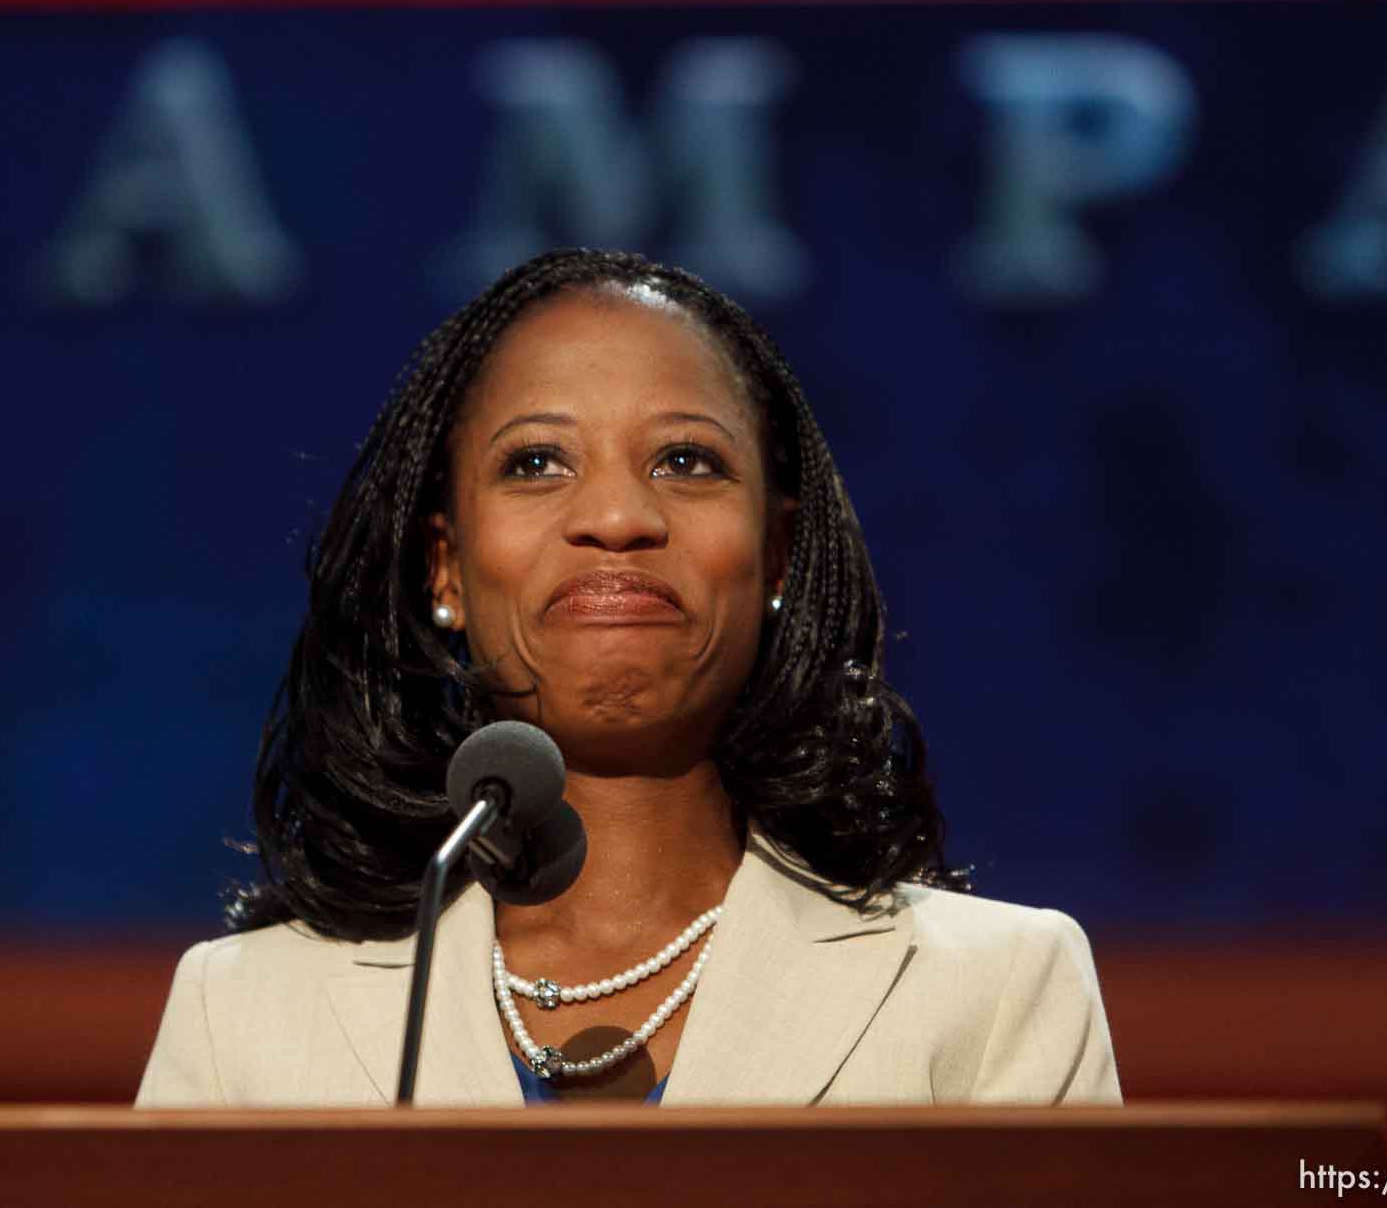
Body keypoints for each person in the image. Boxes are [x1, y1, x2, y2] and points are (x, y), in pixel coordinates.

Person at [136, 248, 1119, 1107]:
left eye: (687, 460)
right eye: (534, 462)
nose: (614, 514)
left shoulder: (993, 994)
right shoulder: (244, 1017)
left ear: (774, 556)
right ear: (444, 569)